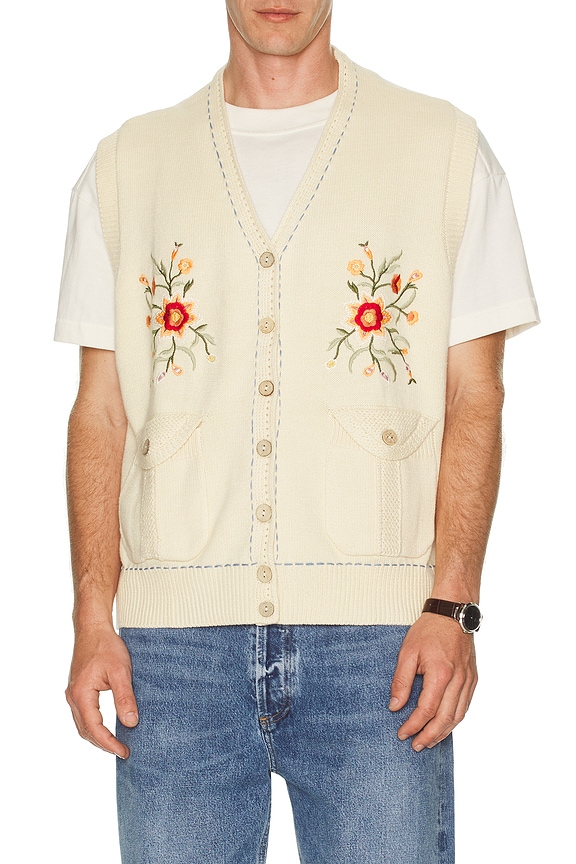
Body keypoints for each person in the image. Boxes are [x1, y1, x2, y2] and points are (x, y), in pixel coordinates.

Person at [56, 2, 539, 862]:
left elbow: (477, 394)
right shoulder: (127, 166)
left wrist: (453, 604)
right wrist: (93, 617)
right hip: (172, 658)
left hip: (383, 649)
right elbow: (101, 410)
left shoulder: (445, 152)